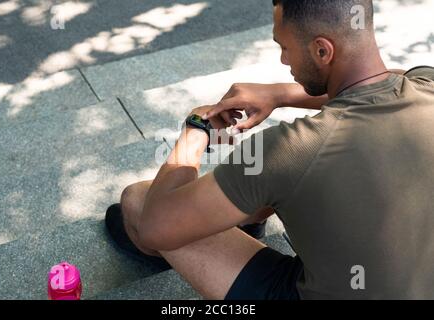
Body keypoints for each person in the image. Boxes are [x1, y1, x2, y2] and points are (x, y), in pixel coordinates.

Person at [105, 0, 434, 299]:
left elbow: (156, 226)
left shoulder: (288, 149)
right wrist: (280, 94)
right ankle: (246, 216)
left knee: (139, 202)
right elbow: (389, 76)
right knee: (282, 184)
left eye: (284, 46)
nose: (282, 59)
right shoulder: (428, 85)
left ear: (322, 51)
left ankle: (242, 217)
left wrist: (197, 127)